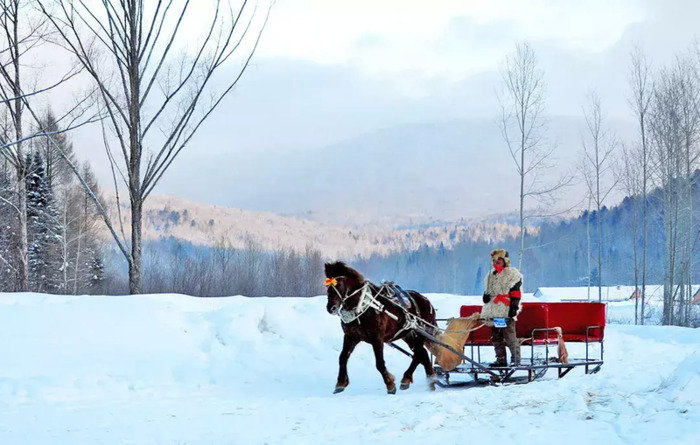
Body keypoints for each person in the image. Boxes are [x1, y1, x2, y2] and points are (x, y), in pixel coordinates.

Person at [481, 249, 523, 367]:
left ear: (505, 261)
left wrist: (513, 307)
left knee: (509, 337)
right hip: (493, 310)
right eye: (494, 262)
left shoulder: (512, 275)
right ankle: (501, 359)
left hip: (505, 308)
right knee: (496, 337)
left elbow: (516, 293)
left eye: (498, 261)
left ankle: (516, 359)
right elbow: (488, 291)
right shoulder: (490, 276)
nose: (496, 264)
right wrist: (486, 297)